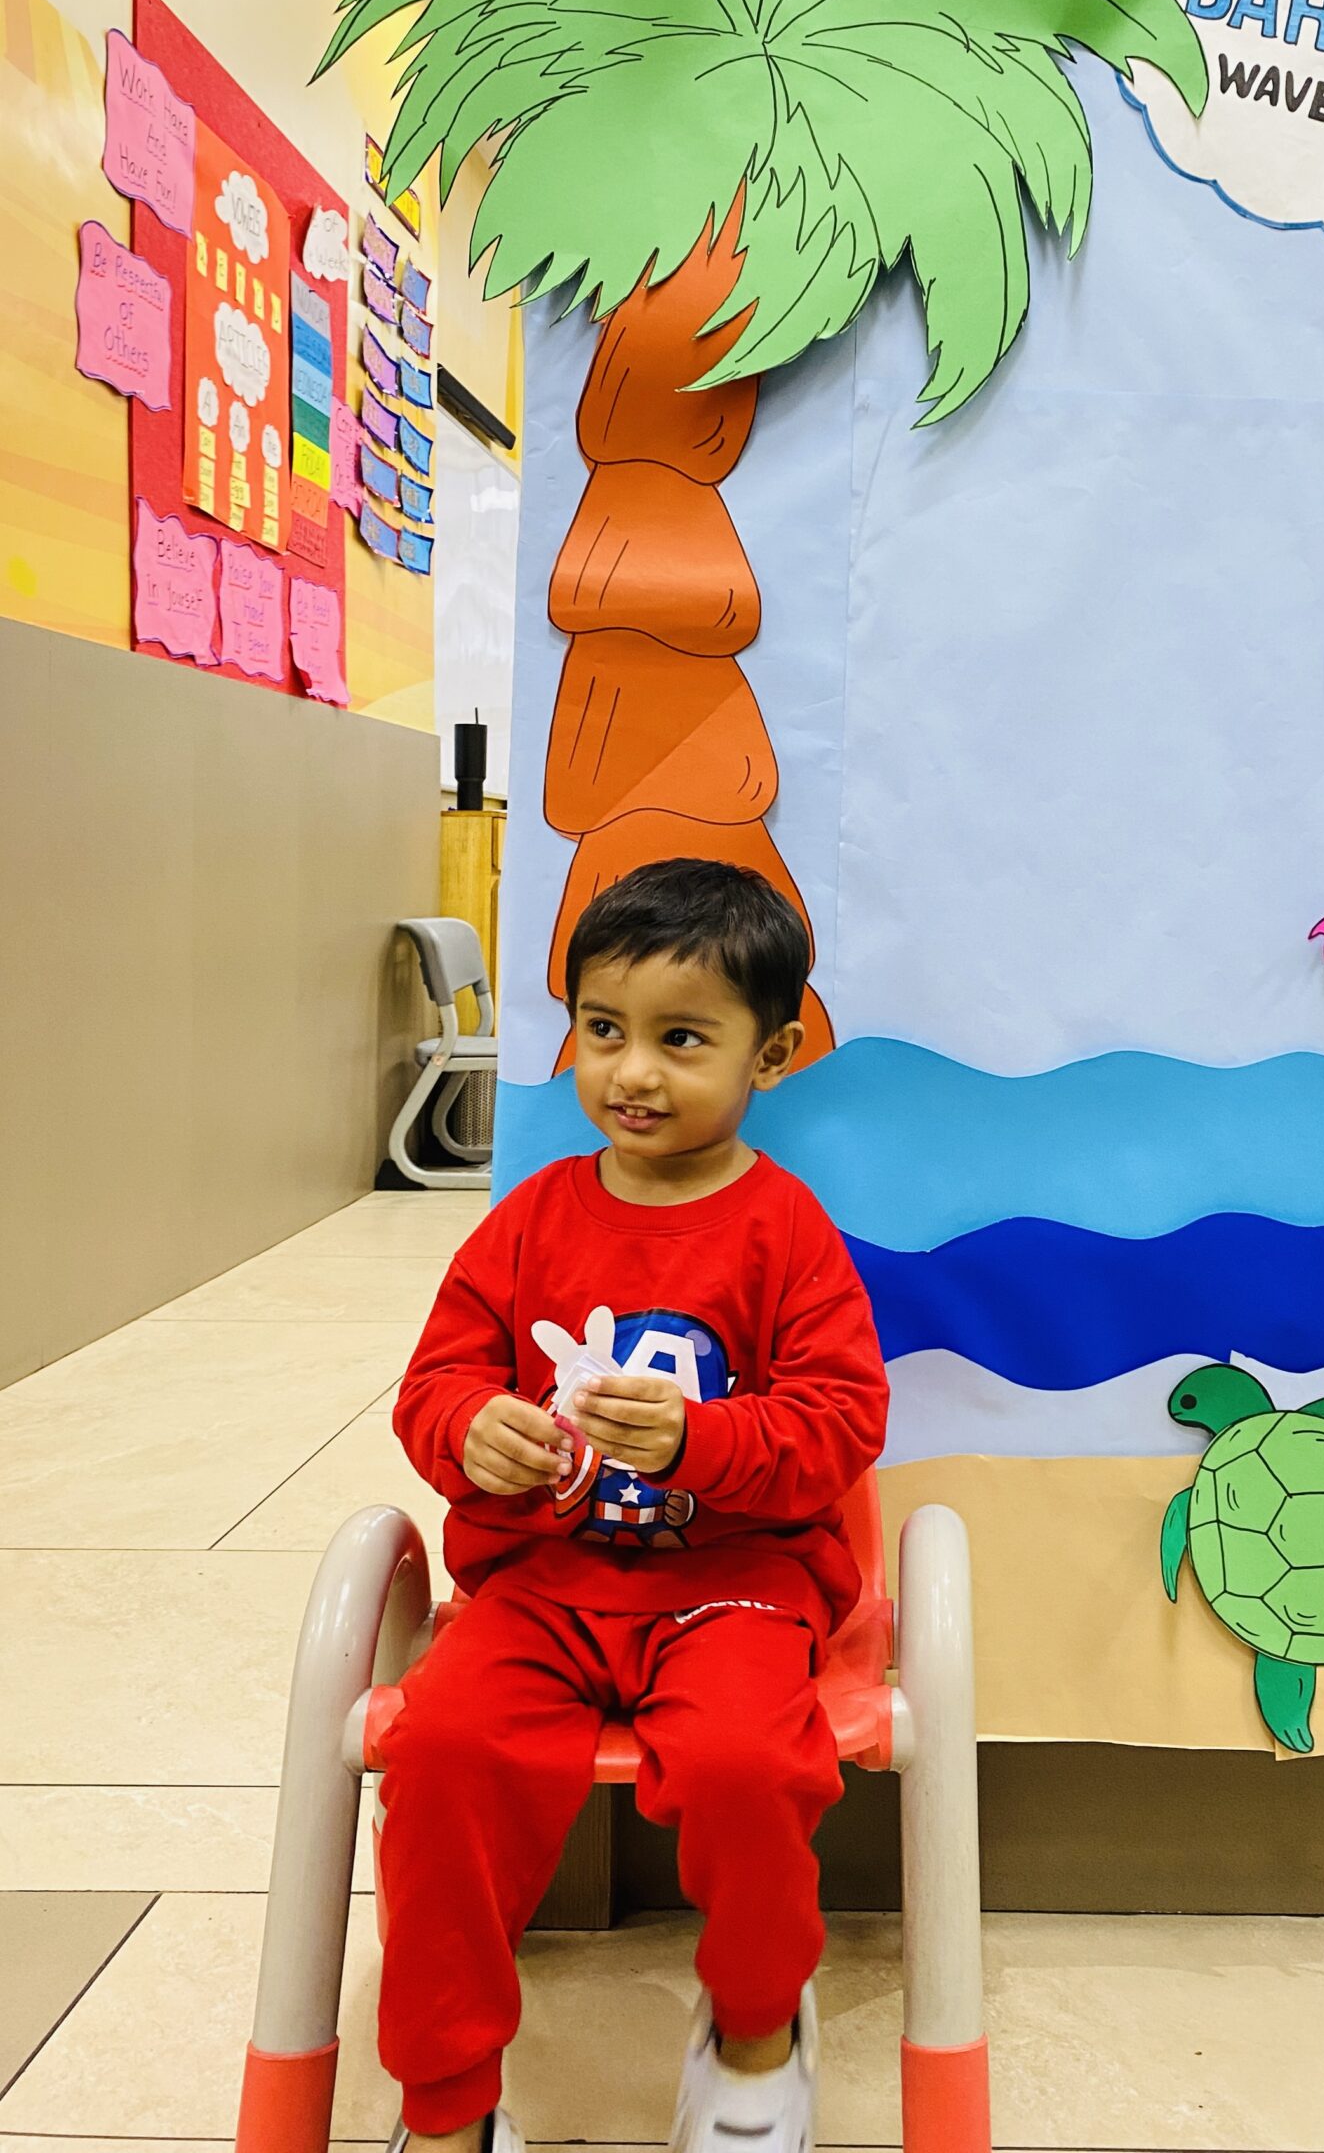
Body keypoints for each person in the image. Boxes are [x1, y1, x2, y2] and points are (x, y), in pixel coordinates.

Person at [378, 858, 888, 2153]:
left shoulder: (787, 1230)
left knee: (746, 1767)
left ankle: (758, 2041)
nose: (633, 1073)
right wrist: (470, 1430)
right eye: (604, 1030)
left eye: (682, 1039)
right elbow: (433, 1386)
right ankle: (448, 2100)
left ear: (770, 1055)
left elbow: (841, 1425)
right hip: (541, 1589)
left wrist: (699, 1442)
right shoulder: (529, 1219)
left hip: (735, 1592)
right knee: (439, 1756)